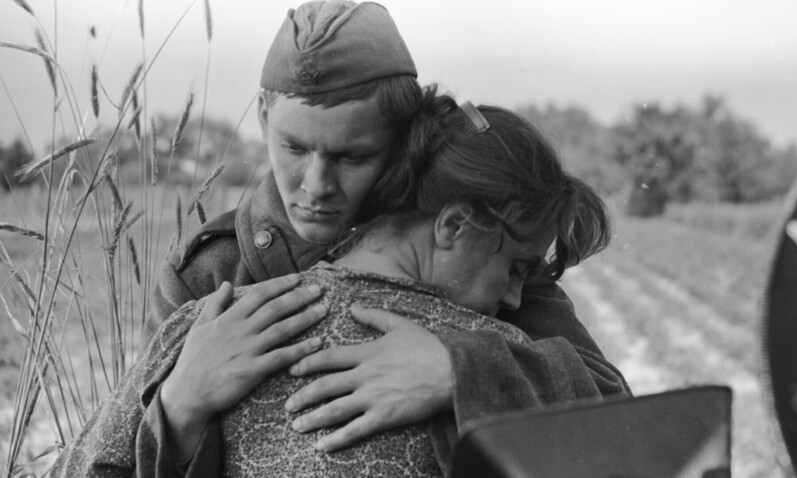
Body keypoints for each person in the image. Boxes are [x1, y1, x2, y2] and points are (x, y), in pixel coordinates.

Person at [50, 90, 615, 477]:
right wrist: (178, 406)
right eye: (517, 266)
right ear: (454, 224)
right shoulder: (514, 350)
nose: (517, 296)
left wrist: (457, 372)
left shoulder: (202, 326)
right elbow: (634, 444)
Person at [148, 0, 627, 456]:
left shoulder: (484, 251)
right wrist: (179, 404)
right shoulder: (211, 273)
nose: (315, 186)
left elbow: (614, 410)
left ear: (403, 141)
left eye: (352, 156)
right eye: (294, 148)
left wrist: (459, 371)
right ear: (262, 116)